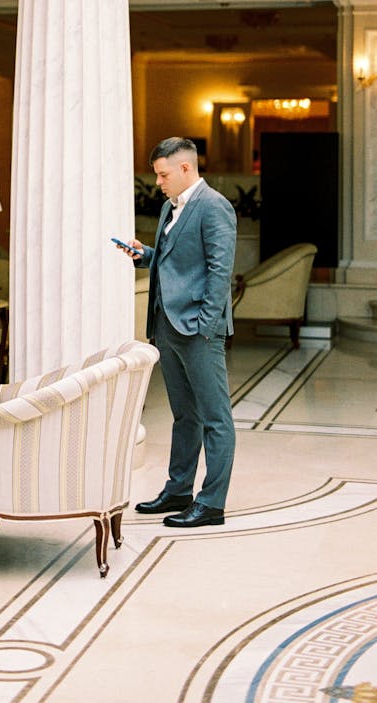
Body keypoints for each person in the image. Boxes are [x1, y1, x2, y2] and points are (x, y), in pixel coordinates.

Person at [120, 137, 237, 529]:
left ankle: (211, 503)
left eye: (163, 174)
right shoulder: (171, 206)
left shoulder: (214, 207)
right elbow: (179, 264)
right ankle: (179, 489)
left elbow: (220, 272)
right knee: (184, 415)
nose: (158, 182)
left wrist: (206, 325)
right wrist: (145, 255)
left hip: (198, 330)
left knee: (215, 418)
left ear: (186, 168)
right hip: (167, 327)